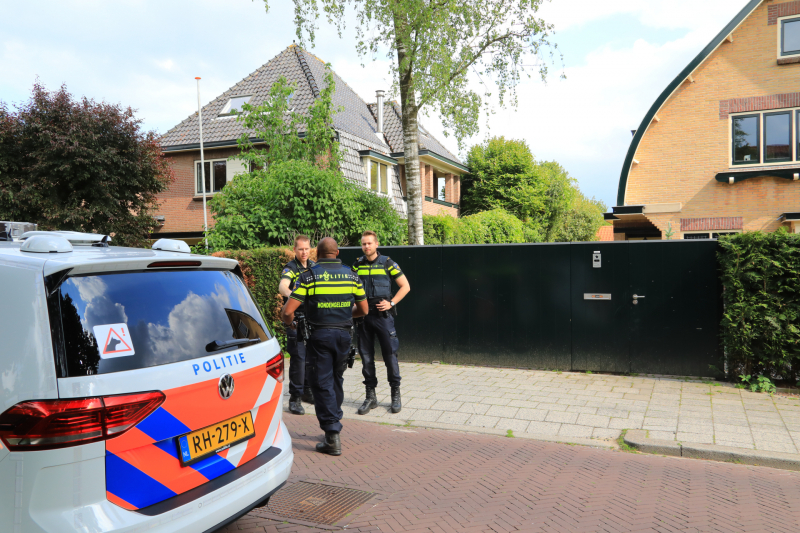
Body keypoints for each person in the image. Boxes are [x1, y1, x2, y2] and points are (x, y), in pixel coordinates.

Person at [281, 237, 368, 456]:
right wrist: (344, 316)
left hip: (319, 337)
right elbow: (364, 310)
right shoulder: (352, 275)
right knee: (336, 379)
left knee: (321, 383)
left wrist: (291, 322)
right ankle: (334, 423)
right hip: (344, 336)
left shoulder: (309, 276)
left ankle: (332, 436)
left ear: (316, 255)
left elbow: (288, 311)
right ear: (337, 252)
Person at [352, 230, 411, 415]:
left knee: (390, 356)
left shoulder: (388, 263)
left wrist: (391, 302)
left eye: (369, 243)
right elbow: (350, 289)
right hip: (363, 318)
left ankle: (395, 395)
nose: (366, 246)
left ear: (376, 244)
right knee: (366, 358)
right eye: (363, 244)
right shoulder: (357, 265)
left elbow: (405, 286)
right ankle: (371, 397)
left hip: (382, 318)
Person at [278, 235, 316, 415]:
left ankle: (308, 392)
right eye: (300, 249)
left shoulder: (315, 266)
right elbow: (282, 287)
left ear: (311, 249)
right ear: (295, 250)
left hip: (313, 319)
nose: (304, 252)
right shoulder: (291, 268)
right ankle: (294, 399)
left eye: (306, 249)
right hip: (295, 320)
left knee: (311, 359)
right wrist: (295, 296)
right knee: (298, 360)